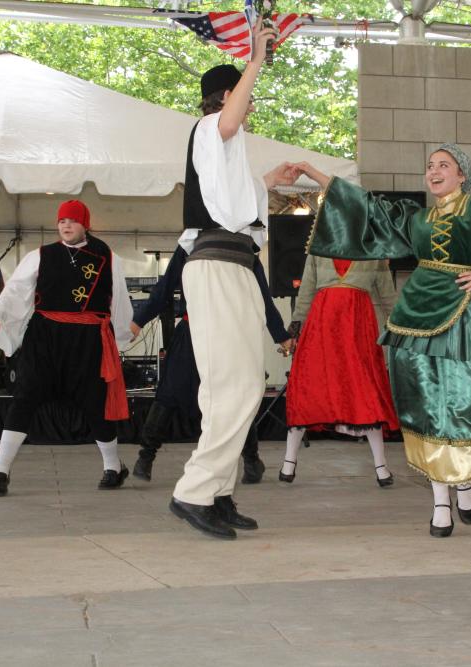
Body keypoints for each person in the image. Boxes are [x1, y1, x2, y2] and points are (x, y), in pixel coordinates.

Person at [294, 143, 471, 538]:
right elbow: (369, 210)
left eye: (443, 165)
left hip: (465, 313)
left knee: (464, 403)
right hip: (415, 316)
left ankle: (463, 482)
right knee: (424, 405)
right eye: (430, 166)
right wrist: (320, 175)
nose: (434, 171)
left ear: (462, 174)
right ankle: (440, 502)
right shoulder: (417, 219)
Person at [168, 22, 302, 540]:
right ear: (226, 97)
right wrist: (256, 60)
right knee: (231, 382)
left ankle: (219, 491)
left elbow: (234, 197)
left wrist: (271, 182)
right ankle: (193, 492)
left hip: (237, 267)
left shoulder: (223, 150)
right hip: (218, 266)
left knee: (243, 381)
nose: (249, 110)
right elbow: (225, 126)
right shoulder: (208, 128)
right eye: (244, 98)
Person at [0, 200, 135, 495]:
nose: (65, 225)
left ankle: (112, 467)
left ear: (85, 224)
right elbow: (16, 291)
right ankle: (0, 473)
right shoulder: (40, 256)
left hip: (88, 339)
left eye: (72, 220)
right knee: (25, 398)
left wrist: (120, 334)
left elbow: (117, 298)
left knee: (96, 403)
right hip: (45, 337)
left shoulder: (107, 257)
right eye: (62, 221)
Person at [131, 245, 292, 484]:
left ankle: (251, 460)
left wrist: (280, 335)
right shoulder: (189, 246)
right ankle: (145, 457)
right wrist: (138, 321)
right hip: (192, 332)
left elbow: (262, 298)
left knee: (234, 397)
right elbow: (164, 288)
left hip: (230, 333)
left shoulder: (245, 251)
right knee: (170, 392)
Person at [279, 255, 399, 487]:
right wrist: (295, 329)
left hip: (357, 327)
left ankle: (381, 465)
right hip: (321, 326)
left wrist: (399, 328)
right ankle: (288, 462)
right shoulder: (319, 247)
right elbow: (306, 291)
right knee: (309, 388)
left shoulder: (373, 248)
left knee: (366, 390)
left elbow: (387, 295)